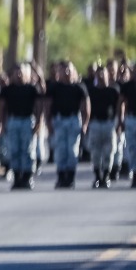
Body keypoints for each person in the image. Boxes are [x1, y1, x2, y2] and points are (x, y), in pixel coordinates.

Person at [0, 63, 44, 190]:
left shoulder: (32, 89)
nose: (18, 75)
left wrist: (39, 122)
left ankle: (27, 177)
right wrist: (1, 123)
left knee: (27, 150)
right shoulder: (7, 90)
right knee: (14, 150)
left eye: (21, 72)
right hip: (13, 121)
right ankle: (17, 177)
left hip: (27, 120)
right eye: (16, 72)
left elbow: (39, 106)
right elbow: (1, 107)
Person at [45, 61, 90, 189]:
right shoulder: (54, 87)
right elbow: (48, 105)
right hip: (59, 120)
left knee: (72, 150)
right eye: (63, 70)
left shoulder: (79, 87)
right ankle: (60, 176)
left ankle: (70, 177)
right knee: (60, 150)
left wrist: (85, 123)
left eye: (68, 70)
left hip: (73, 120)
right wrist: (48, 122)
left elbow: (85, 106)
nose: (66, 73)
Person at [85, 63, 121, 189]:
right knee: (95, 152)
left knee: (109, 152)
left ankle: (106, 175)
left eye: (103, 73)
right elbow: (86, 107)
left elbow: (119, 106)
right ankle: (97, 176)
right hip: (95, 123)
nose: (100, 76)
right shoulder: (91, 91)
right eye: (98, 74)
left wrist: (119, 123)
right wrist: (86, 123)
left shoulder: (113, 90)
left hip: (108, 123)